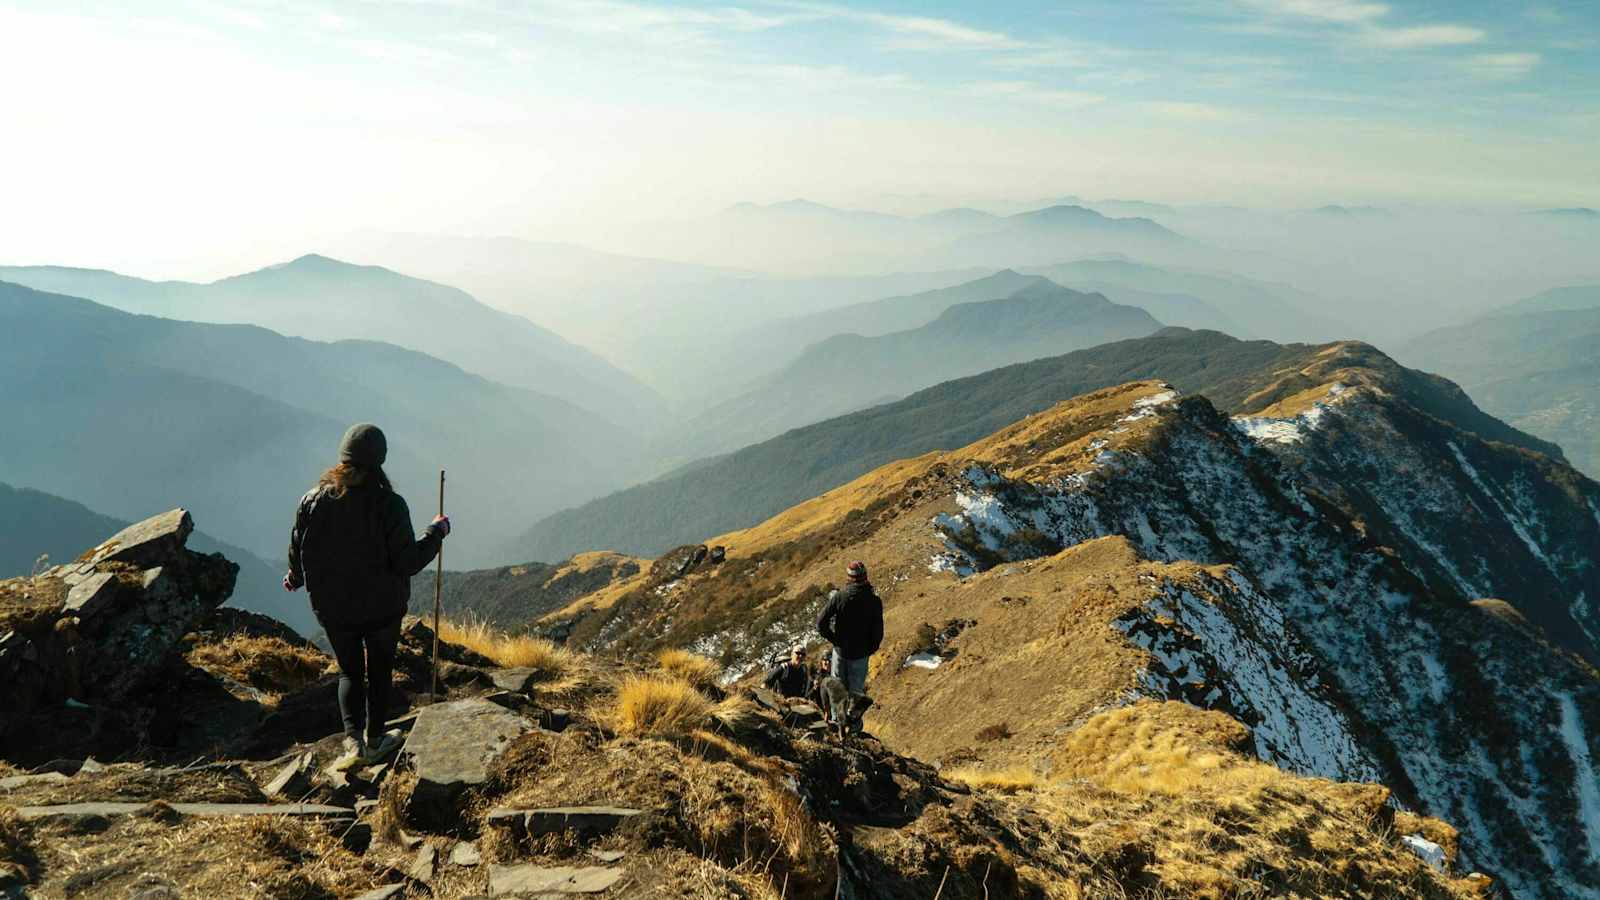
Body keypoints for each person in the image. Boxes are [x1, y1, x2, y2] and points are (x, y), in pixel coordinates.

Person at [285, 423, 450, 769]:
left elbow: (300, 547)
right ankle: (375, 741)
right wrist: (436, 533)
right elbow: (407, 562)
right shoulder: (389, 504)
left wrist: (296, 577)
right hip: (381, 608)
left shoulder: (312, 500)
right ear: (380, 459)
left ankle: (352, 743)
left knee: (348, 672)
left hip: (333, 609)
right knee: (378, 671)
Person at [815, 561, 883, 731]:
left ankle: (836, 723)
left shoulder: (840, 597)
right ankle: (853, 728)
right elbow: (878, 632)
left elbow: (820, 623)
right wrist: (870, 649)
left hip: (840, 652)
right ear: (865, 577)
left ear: (849, 578)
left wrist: (834, 639)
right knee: (856, 693)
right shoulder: (874, 601)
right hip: (860, 655)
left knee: (837, 688)